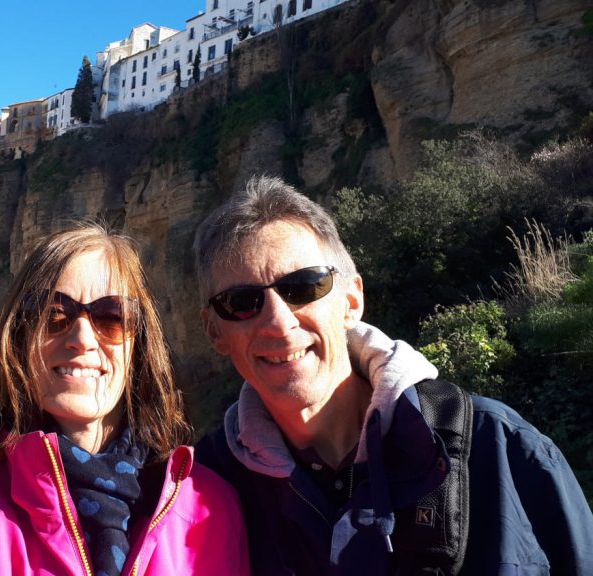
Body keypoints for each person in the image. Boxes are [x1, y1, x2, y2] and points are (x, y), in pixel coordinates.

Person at [193, 176, 593, 574]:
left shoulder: (499, 448)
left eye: (303, 286)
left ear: (351, 301)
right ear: (215, 332)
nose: (278, 322)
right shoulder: (201, 494)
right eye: (241, 302)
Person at [0, 223, 249, 576]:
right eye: (53, 315)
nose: (82, 338)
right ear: (17, 339)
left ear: (140, 346)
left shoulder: (211, 506)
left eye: (111, 317)